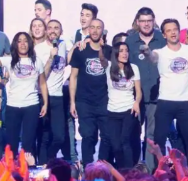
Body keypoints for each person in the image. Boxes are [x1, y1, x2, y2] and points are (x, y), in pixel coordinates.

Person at [149, 18, 188, 164]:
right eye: (169, 31)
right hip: (165, 102)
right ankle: (160, 170)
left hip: (185, 102)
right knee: (159, 140)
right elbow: (152, 58)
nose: (173, 33)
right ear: (164, 35)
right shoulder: (159, 52)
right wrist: (146, 52)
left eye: (175, 29)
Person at [126, 6, 166, 169]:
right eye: (143, 21)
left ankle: (150, 171)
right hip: (135, 96)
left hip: (157, 94)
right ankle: (135, 169)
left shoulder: (162, 39)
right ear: (137, 22)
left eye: (149, 20)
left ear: (154, 21)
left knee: (151, 135)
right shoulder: (130, 41)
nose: (146, 24)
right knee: (133, 133)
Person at [70, 17, 112, 163]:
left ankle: (102, 166)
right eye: (92, 27)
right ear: (88, 30)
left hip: (105, 100)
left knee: (107, 136)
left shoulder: (109, 51)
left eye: (98, 28)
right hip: (84, 101)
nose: (95, 31)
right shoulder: (80, 50)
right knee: (88, 136)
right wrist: (72, 102)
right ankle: (88, 168)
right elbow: (73, 76)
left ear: (103, 31)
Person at [1, 32, 48, 154]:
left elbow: (43, 83)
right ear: (15, 44)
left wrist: (45, 103)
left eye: (25, 41)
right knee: (12, 145)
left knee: (28, 144)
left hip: (31, 106)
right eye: (19, 41)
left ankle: (26, 166)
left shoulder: (37, 62)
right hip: (12, 106)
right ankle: (12, 166)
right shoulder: (9, 60)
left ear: (30, 44)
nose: (22, 44)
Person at [105, 42, 142, 168]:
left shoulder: (134, 68)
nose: (125, 53)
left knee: (125, 141)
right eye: (121, 51)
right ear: (115, 53)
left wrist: (136, 102)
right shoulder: (109, 67)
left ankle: (129, 171)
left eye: (126, 50)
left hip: (128, 110)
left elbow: (138, 91)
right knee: (116, 145)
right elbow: (101, 57)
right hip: (112, 111)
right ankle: (121, 170)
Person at [41, 19, 68, 162]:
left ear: (61, 32)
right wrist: (51, 57)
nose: (53, 31)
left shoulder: (63, 45)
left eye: (56, 28)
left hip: (58, 96)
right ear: (46, 31)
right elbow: (42, 76)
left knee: (59, 137)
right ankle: (42, 165)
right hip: (43, 96)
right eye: (50, 28)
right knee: (44, 136)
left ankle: (49, 160)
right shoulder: (39, 49)